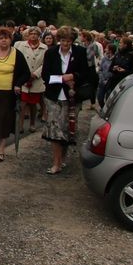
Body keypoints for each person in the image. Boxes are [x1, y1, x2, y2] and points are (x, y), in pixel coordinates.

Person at [41, 26, 89, 174]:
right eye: (63, 40)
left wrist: (73, 76)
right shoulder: (51, 53)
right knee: (55, 130)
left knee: (67, 129)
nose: (65, 44)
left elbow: (86, 73)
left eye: (68, 41)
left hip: (72, 97)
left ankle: (62, 158)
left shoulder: (80, 52)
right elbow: (45, 75)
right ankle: (56, 163)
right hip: (54, 96)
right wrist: (62, 78)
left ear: (72, 41)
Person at [0, 27, 31, 162]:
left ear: (11, 39)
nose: (4, 41)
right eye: (1, 38)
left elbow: (26, 73)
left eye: (6, 38)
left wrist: (18, 84)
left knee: (4, 120)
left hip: (8, 94)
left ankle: (1, 149)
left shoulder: (17, 54)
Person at [14, 28, 48, 133]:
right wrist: (24, 74)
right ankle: (20, 125)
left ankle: (32, 124)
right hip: (24, 78)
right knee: (23, 103)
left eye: (35, 34)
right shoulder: (21, 45)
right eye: (31, 33)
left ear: (39, 36)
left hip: (37, 79)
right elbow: (17, 60)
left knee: (33, 103)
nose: (33, 35)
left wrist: (36, 74)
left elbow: (45, 64)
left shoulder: (44, 47)